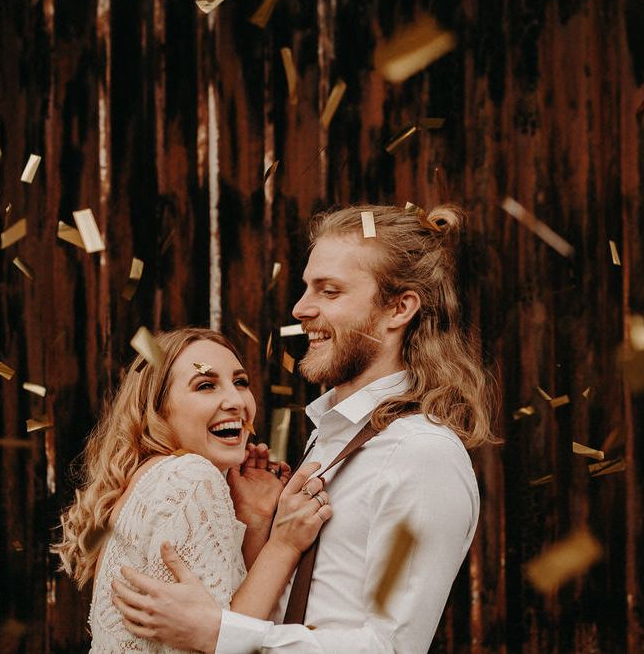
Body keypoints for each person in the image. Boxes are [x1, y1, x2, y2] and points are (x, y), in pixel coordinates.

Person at [112, 204, 496, 653]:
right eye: (306, 288)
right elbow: (298, 606)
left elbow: (392, 647)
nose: (301, 308)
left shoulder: (421, 454)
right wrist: (260, 528)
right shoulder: (330, 435)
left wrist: (218, 634)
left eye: (329, 292)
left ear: (399, 308)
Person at [53, 327, 334, 652]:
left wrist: (255, 521)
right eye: (206, 385)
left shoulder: (150, 480)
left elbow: (220, 622)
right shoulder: (188, 477)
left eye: (240, 382)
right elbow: (220, 644)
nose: (235, 401)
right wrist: (284, 544)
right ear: (157, 409)